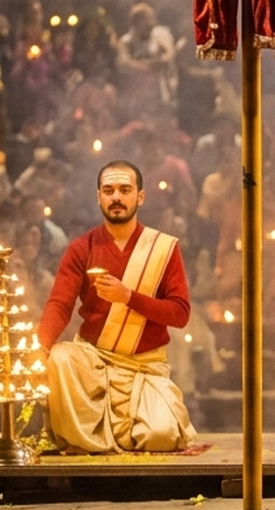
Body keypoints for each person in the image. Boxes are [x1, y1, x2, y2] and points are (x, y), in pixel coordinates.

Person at [38, 161, 195, 454]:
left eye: (125, 190)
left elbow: (180, 314)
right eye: (109, 191)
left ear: (140, 196)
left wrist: (128, 297)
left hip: (143, 366)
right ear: (99, 196)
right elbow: (60, 304)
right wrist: (39, 347)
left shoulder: (163, 248)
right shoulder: (81, 248)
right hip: (92, 361)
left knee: (160, 436)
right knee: (60, 357)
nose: (117, 198)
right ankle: (89, 438)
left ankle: (106, 433)